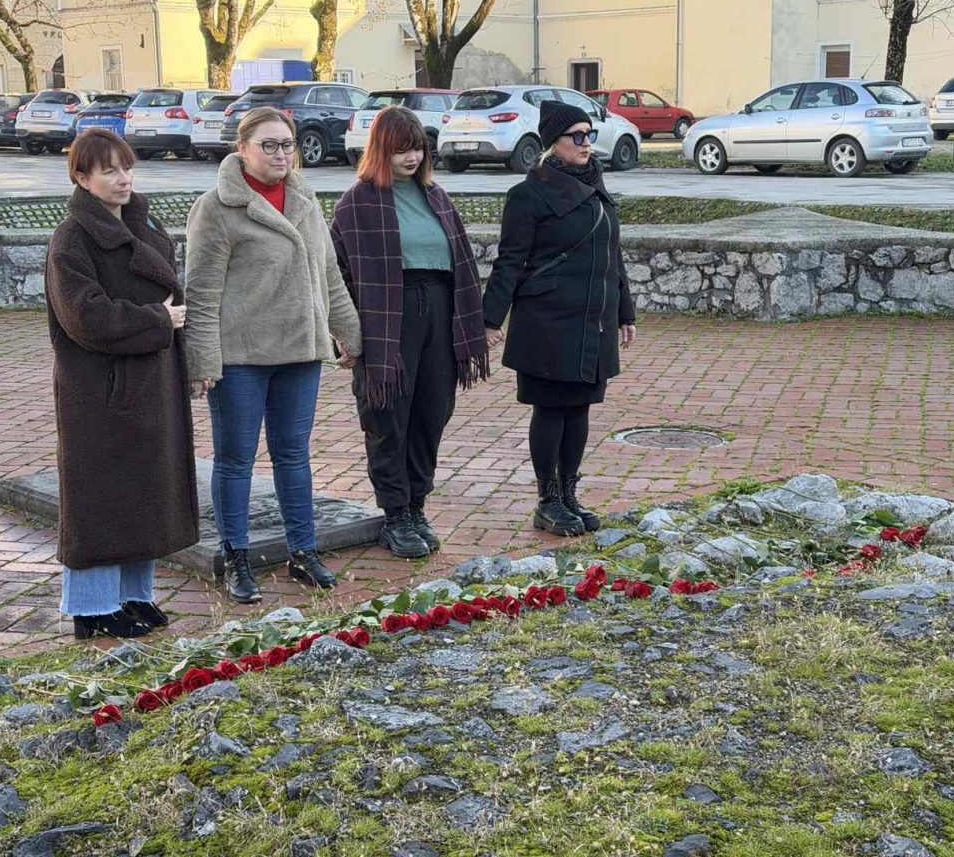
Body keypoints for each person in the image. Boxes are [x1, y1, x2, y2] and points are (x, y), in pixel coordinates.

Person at [184, 107, 362, 603]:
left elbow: (328, 275)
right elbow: (200, 292)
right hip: (241, 357)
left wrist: (350, 332)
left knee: (293, 456)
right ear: (242, 149)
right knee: (236, 460)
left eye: (287, 144)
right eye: (270, 145)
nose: (282, 154)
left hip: (300, 354)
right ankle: (236, 557)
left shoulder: (305, 200)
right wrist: (201, 361)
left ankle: (303, 552)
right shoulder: (217, 207)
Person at [44, 129, 198, 639]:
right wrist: (157, 319)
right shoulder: (71, 239)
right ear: (82, 178)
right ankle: (92, 607)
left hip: (150, 383)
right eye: (108, 170)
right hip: (100, 392)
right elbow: (85, 317)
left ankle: (135, 594)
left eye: (126, 167)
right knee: (101, 496)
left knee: (146, 491)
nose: (122, 178)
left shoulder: (142, 225)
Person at [331, 106, 490, 558]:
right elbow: (336, 274)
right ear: (381, 149)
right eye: (401, 149)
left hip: (439, 307)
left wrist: (476, 322)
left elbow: (461, 264)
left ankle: (417, 503)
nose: (412, 157)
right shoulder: (358, 202)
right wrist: (344, 333)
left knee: (431, 411)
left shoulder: (435, 196)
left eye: (418, 148)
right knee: (388, 416)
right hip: (389, 316)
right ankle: (395, 512)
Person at [482, 100, 636, 536]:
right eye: (578, 137)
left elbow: (613, 253)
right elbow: (510, 261)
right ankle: (547, 500)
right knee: (552, 409)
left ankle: (569, 493)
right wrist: (490, 320)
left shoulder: (596, 184)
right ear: (554, 143)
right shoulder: (529, 195)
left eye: (590, 135)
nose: (587, 144)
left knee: (580, 408)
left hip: (594, 318)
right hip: (547, 320)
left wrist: (625, 310)